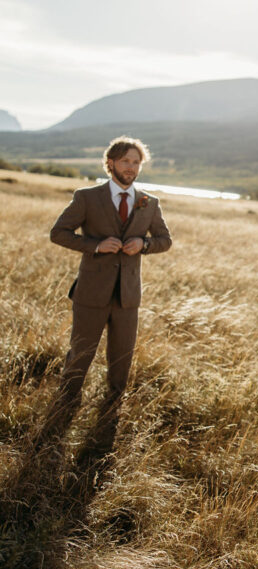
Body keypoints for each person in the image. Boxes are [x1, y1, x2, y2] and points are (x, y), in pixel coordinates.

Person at [38, 136, 172, 455]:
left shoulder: (148, 202)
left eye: (136, 162)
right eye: (126, 161)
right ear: (110, 162)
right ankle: (64, 410)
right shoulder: (87, 197)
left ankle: (110, 414)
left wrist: (145, 244)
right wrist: (95, 245)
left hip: (128, 297)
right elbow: (58, 233)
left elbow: (165, 239)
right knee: (80, 354)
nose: (131, 167)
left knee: (121, 359)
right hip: (90, 293)